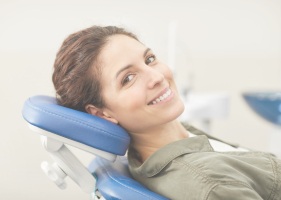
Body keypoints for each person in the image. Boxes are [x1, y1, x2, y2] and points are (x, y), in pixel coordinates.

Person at [52, 25, 281, 200]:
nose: (157, 77)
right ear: (103, 114)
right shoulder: (211, 184)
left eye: (149, 59)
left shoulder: (180, 137)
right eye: (128, 79)